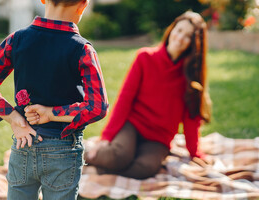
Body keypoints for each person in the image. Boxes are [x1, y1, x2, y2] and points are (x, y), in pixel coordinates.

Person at [0, 0, 108, 199]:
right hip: (63, 149)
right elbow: (98, 107)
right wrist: (52, 113)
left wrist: (15, 118)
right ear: (84, 5)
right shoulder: (83, 50)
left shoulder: (17, 40)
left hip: (24, 143)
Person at [85, 11, 212, 180]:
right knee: (118, 157)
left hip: (158, 138)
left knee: (145, 169)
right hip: (133, 126)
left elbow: (191, 118)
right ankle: (82, 156)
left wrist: (194, 152)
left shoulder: (190, 77)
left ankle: (101, 169)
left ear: (194, 44)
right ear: (171, 29)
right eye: (179, 30)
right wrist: (106, 137)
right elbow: (125, 99)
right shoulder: (145, 58)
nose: (180, 37)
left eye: (187, 36)